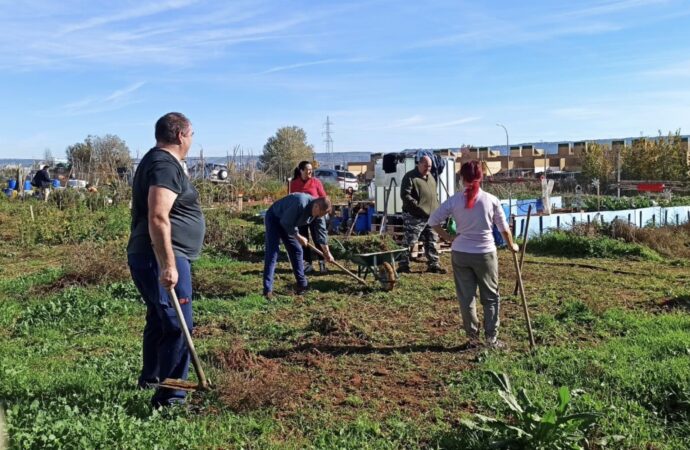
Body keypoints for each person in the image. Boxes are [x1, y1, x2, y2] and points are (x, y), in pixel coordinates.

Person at [126, 112, 205, 407]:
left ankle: (151, 378)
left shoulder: (156, 161)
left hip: (151, 254)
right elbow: (159, 216)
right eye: (192, 134)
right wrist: (168, 264)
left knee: (159, 321)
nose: (193, 140)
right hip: (161, 255)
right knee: (176, 324)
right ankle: (171, 397)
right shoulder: (164, 165)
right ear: (182, 135)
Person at [428, 160, 519, 349]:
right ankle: (491, 339)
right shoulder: (491, 200)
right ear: (481, 177)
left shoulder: (454, 200)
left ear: (462, 178)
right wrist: (513, 246)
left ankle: (472, 339)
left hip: (460, 253)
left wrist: (448, 238)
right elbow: (504, 229)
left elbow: (433, 220)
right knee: (491, 297)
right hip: (485, 254)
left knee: (466, 297)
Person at [263, 193, 333, 298]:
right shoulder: (300, 203)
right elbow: (286, 222)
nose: (318, 217)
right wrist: (298, 237)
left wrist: (327, 253)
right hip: (275, 218)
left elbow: (321, 232)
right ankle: (267, 290)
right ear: (316, 206)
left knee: (297, 251)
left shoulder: (320, 212)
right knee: (273, 252)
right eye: (319, 214)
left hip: (288, 223)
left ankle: (302, 285)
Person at [398, 155, 446, 273]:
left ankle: (434, 264)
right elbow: (405, 195)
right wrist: (418, 207)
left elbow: (434, 195)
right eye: (425, 166)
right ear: (419, 164)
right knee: (410, 240)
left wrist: (437, 208)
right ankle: (403, 265)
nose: (428, 169)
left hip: (431, 216)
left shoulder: (431, 178)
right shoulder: (410, 177)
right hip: (414, 216)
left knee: (432, 240)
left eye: (429, 166)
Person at [289, 161, 329, 274]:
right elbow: (292, 199)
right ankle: (307, 265)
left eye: (311, 169)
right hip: (301, 216)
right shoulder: (294, 183)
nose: (310, 171)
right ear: (301, 170)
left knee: (318, 238)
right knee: (303, 239)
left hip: (316, 215)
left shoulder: (316, 182)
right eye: (307, 169)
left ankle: (322, 263)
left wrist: (326, 211)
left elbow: (323, 197)